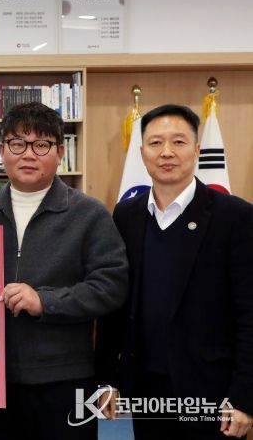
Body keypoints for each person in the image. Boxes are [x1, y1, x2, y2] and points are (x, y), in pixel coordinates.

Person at [0, 102, 128, 440]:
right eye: (17, 143)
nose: (28, 154)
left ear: (60, 152)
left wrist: (45, 302)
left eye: (41, 144)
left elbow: (111, 286)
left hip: (65, 377)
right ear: (1, 151)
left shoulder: (89, 214)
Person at [95, 104, 253, 439]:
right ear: (142, 152)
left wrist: (244, 396)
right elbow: (115, 302)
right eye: (156, 143)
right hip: (146, 388)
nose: (166, 152)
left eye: (178, 142)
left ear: (197, 150)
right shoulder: (126, 214)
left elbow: (249, 314)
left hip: (213, 393)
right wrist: (107, 378)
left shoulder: (236, 217)